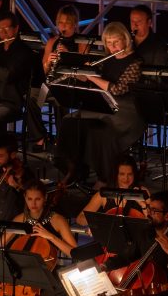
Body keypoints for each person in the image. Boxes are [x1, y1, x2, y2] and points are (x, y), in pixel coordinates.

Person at [54, 21, 144, 186]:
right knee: (70, 121)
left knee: (101, 131)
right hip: (105, 107)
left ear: (125, 39)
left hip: (126, 112)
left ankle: (105, 178)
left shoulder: (135, 63)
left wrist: (92, 77)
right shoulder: (106, 60)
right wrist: (78, 71)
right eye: (109, 43)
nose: (113, 46)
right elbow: (88, 80)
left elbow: (117, 89)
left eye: (116, 41)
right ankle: (73, 168)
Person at [8, 181, 77, 258]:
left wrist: (51, 237)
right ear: (25, 197)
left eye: (37, 199)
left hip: (49, 267)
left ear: (45, 197)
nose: (33, 204)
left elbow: (75, 253)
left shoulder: (58, 220)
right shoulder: (20, 219)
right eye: (29, 199)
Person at [75, 155, 149, 226]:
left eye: (130, 174)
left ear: (134, 174)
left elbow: (154, 221)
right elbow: (80, 218)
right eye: (122, 174)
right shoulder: (104, 194)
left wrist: (143, 206)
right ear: (115, 174)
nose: (126, 179)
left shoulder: (142, 191)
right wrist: (97, 223)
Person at [0, 11, 38, 130]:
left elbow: (10, 75)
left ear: (16, 29)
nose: (3, 33)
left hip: (12, 103)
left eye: (6, 28)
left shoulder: (24, 52)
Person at [41, 4, 89, 75]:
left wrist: (68, 56)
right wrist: (48, 63)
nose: (63, 26)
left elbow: (84, 77)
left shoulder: (82, 43)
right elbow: (42, 73)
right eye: (61, 22)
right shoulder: (52, 41)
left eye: (67, 23)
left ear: (75, 24)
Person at [0, 131, 32, 221]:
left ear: (13, 155)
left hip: (14, 225)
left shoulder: (24, 173)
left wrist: (16, 186)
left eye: (0, 156)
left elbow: (34, 199)